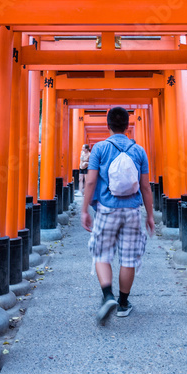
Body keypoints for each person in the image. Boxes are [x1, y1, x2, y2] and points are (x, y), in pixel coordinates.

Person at [80, 107, 155, 325]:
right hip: (132, 210)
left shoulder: (100, 148)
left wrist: (85, 209)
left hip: (107, 209)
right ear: (128, 125)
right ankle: (123, 304)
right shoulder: (139, 150)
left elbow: (91, 181)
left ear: (108, 124)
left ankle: (107, 296)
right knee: (129, 258)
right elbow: (146, 187)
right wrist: (149, 215)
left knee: (102, 253)